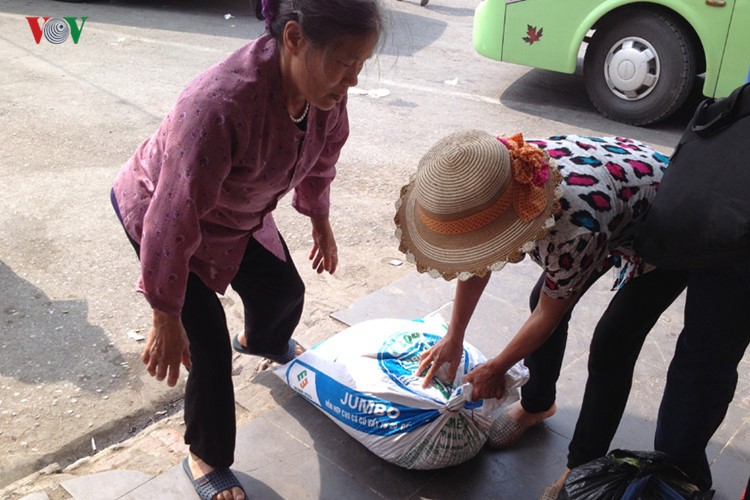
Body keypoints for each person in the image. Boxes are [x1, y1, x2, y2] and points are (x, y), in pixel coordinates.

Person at [110, 0, 383, 498]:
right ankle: (204, 455)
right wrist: (165, 314)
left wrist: (320, 219)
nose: (353, 82)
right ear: (295, 39)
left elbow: (323, 158)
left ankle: (262, 342)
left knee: (284, 290)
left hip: (239, 212)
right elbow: (173, 217)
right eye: (345, 64)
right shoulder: (218, 105)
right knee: (207, 344)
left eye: (360, 66)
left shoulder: (324, 95)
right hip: (162, 213)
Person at [394, 129, 687, 499]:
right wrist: (454, 334)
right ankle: (537, 404)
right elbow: (476, 260)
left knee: (613, 343)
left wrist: (497, 367)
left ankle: (582, 466)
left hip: (668, 217)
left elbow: (550, 315)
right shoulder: (494, 176)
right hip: (612, 199)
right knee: (543, 296)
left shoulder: (573, 230)